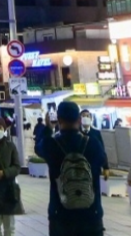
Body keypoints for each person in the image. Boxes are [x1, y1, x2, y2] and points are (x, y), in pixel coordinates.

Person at [36, 101, 106, 236]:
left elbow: (38, 148)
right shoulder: (93, 143)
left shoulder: (51, 144)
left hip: (61, 214)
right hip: (91, 214)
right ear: (79, 119)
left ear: (59, 119)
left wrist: (48, 128)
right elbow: (102, 160)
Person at [80, 109, 111, 178]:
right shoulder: (76, 133)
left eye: (87, 116)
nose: (85, 118)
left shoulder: (96, 133)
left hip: (94, 169)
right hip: (80, 170)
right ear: (79, 119)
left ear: (91, 118)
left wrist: (106, 167)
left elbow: (102, 150)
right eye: (83, 116)